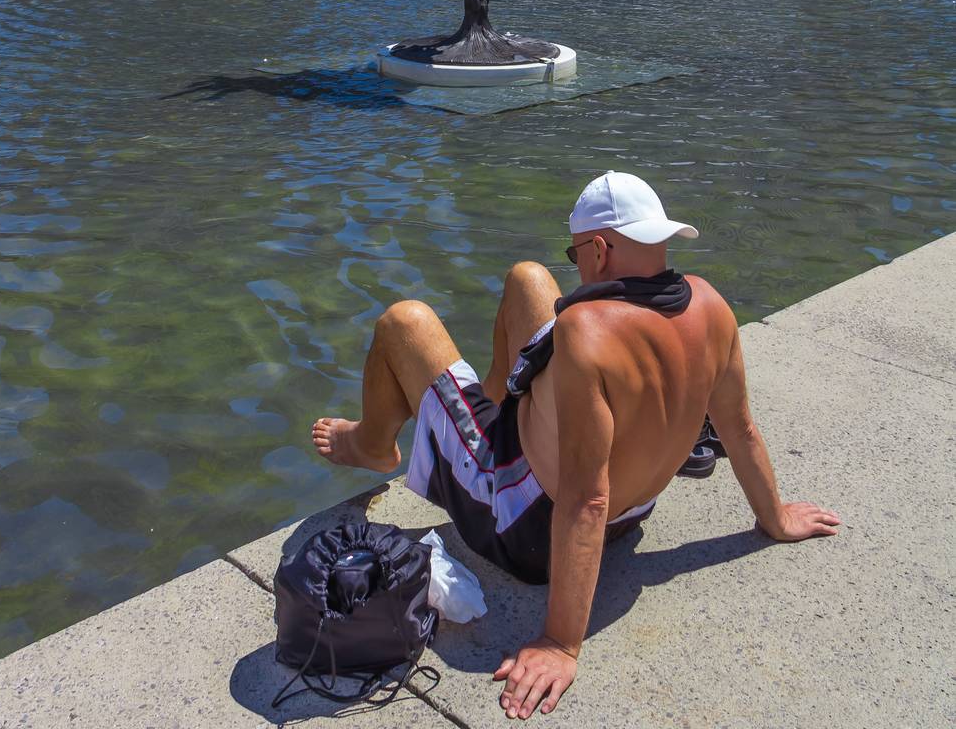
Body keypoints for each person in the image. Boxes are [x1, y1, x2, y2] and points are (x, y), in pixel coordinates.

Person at [312, 171, 839, 721]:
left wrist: (561, 643)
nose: (577, 266)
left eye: (578, 254)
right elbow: (741, 430)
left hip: (528, 528)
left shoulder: (586, 333)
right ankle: (480, 416)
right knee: (528, 280)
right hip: (630, 512)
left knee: (406, 321)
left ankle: (374, 443)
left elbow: (585, 500)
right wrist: (774, 518)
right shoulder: (711, 306)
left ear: (601, 249)